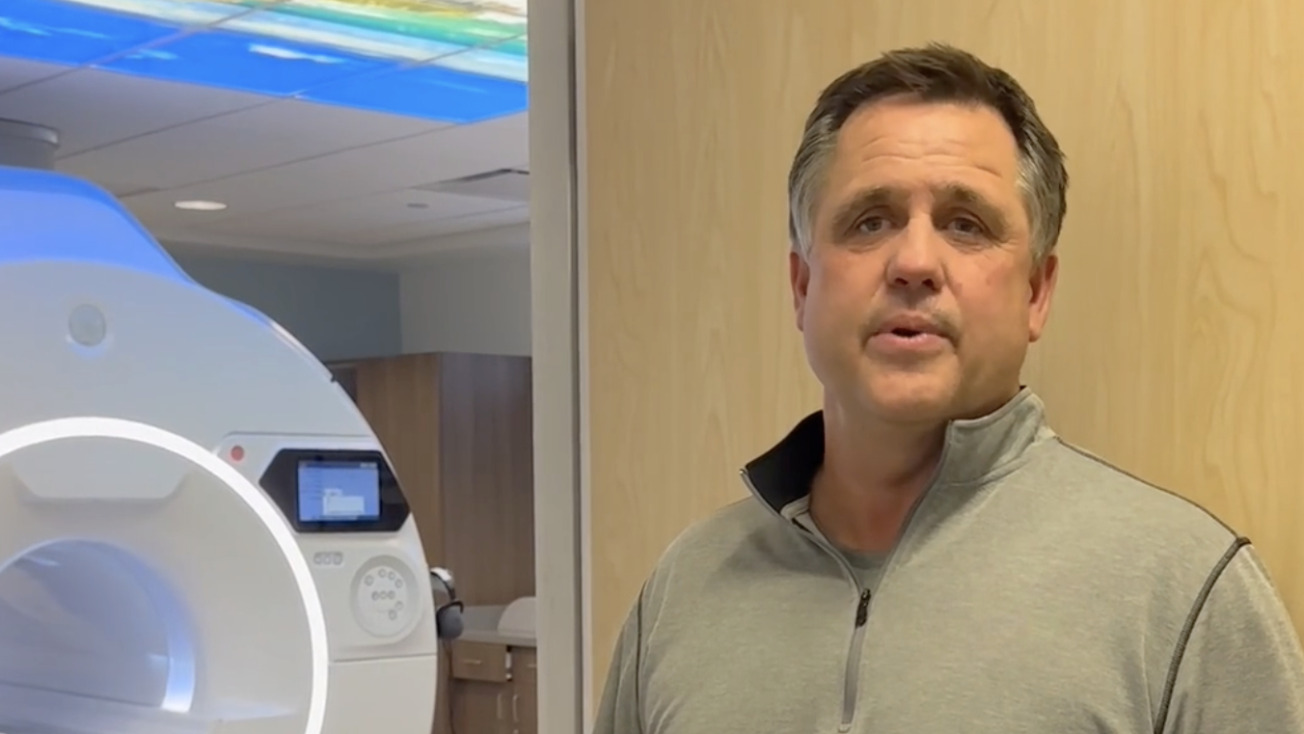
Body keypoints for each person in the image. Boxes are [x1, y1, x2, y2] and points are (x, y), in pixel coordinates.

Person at [592, 43, 1304, 733]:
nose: (914, 261)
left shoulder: (1185, 595)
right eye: (870, 221)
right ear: (802, 287)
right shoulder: (686, 589)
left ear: (1035, 292)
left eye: (966, 224)